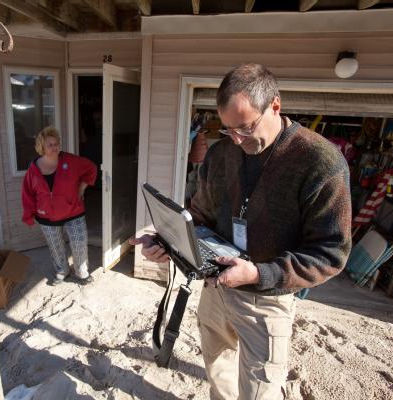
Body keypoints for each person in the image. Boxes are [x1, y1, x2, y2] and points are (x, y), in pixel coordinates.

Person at [131, 64, 351, 399]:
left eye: (245, 128)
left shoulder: (319, 162)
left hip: (266, 302)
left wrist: (259, 273)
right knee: (218, 370)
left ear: (274, 106)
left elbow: (331, 252)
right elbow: (200, 215)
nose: (236, 140)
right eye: (228, 130)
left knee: (260, 391)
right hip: (216, 288)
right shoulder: (222, 153)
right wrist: (168, 242)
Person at [22, 127, 97, 286]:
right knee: (55, 246)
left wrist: (82, 188)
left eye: (56, 143)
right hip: (46, 215)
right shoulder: (34, 169)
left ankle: (81, 273)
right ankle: (62, 271)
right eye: (50, 145)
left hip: (73, 210)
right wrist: (29, 215)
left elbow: (91, 169)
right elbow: (27, 193)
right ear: (42, 147)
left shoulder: (71, 161)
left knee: (79, 242)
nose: (55, 147)